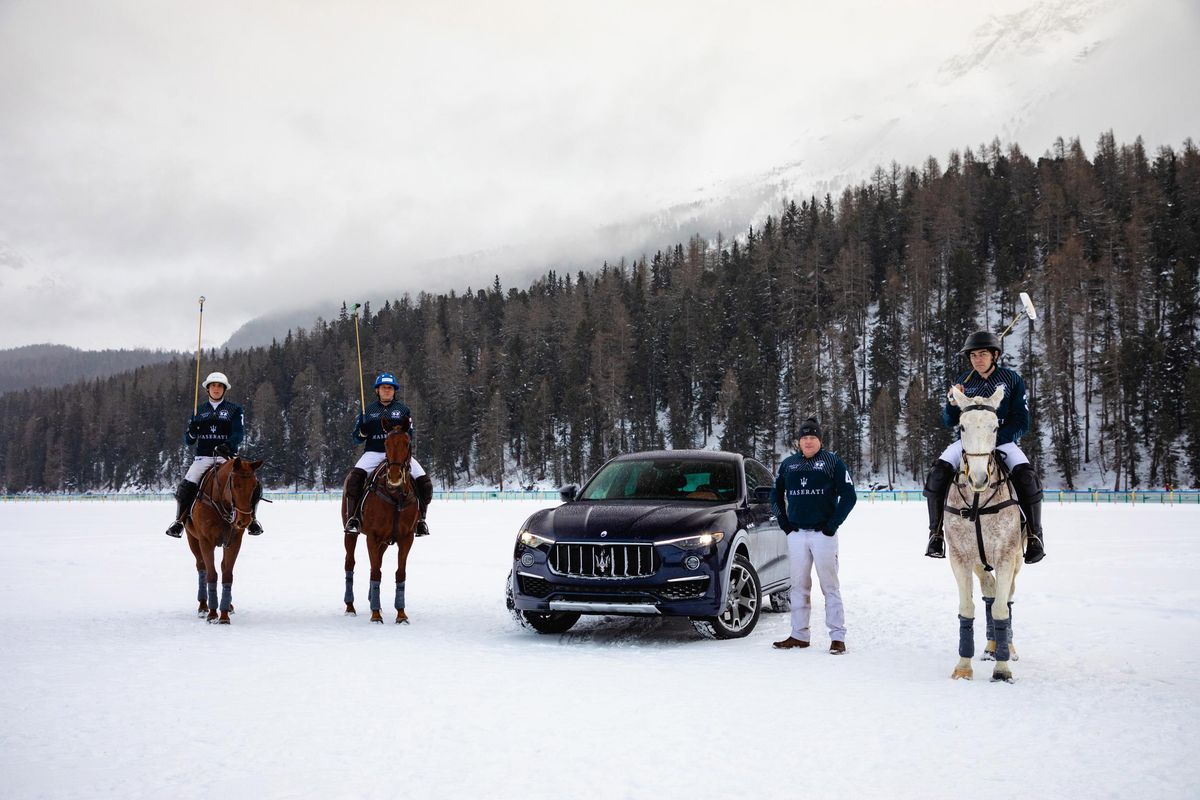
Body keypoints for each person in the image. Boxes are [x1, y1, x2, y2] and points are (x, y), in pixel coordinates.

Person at [923, 330, 1045, 563]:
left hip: (1003, 440)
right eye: (973, 356)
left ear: (994, 355)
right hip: (968, 442)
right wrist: (951, 402)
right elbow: (949, 421)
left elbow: (1022, 421)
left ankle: (1034, 537)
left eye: (982, 354)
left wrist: (993, 440)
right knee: (937, 473)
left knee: (1027, 477)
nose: (977, 360)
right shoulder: (964, 382)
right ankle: (936, 534)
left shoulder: (1011, 379)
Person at [771, 418, 858, 654]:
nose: (808, 441)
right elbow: (775, 496)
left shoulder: (833, 462)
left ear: (820, 440)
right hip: (797, 533)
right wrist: (784, 524)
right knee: (798, 586)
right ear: (799, 441)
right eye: (804, 438)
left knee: (829, 586)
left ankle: (837, 637)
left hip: (823, 534)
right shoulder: (789, 464)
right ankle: (799, 635)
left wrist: (832, 525)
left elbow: (849, 496)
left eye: (813, 437)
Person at [165, 371, 263, 537]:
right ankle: (179, 521)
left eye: (219, 386)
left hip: (227, 458)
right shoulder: (199, 410)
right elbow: (189, 441)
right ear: (207, 389)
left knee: (255, 484)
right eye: (213, 386)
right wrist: (192, 432)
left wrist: (228, 444)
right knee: (185, 486)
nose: (216, 389)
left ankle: (251, 519)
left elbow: (238, 433)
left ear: (224, 389)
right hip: (203, 457)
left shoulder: (234, 409)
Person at [341, 372, 434, 536]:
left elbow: (409, 435)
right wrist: (363, 431)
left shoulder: (403, 410)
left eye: (390, 388)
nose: (387, 390)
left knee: (424, 482)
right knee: (354, 479)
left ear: (394, 390)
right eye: (383, 387)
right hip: (374, 452)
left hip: (398, 455)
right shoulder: (367, 411)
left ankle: (420, 520)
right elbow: (356, 438)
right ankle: (353, 518)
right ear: (377, 390)